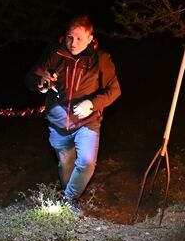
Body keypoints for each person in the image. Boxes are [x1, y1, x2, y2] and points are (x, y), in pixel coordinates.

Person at [24, 15, 121, 214]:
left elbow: (114, 90)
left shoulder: (100, 59)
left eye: (79, 38)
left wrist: (92, 104)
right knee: (65, 164)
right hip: (58, 122)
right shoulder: (55, 52)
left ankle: (69, 199)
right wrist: (41, 83)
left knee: (86, 162)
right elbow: (31, 78)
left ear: (90, 39)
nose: (73, 43)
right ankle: (70, 202)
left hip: (87, 121)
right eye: (70, 37)